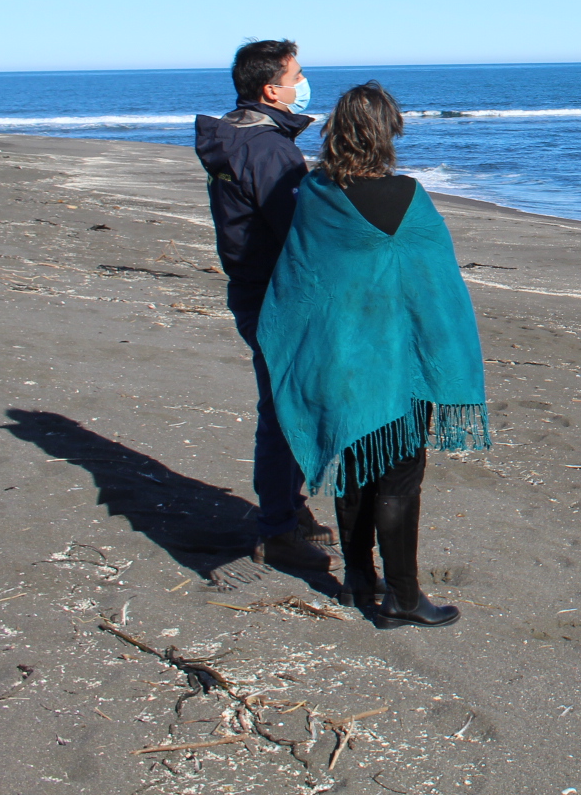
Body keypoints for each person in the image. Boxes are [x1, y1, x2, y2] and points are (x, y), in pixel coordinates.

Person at [258, 82, 490, 628]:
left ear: (338, 133)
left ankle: (361, 582)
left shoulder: (315, 195)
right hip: (402, 366)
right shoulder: (409, 196)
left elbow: (300, 283)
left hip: (344, 361)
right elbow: (439, 291)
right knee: (401, 478)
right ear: (388, 133)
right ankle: (404, 598)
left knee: (356, 472)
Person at [194, 39, 335, 570]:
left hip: (254, 284)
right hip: (277, 292)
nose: (303, 83)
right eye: (297, 75)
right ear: (271, 88)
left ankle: (287, 508)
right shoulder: (266, 148)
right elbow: (297, 228)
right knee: (283, 409)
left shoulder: (241, 135)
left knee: (283, 402)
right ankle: (276, 525)